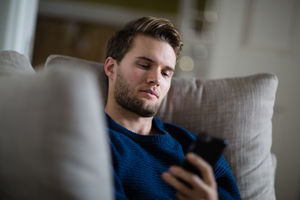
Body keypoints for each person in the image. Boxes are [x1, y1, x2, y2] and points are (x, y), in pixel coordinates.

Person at [103, 16, 241, 200]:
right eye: (144, 65)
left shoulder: (195, 150)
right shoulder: (96, 143)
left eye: (166, 73)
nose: (156, 80)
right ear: (111, 68)